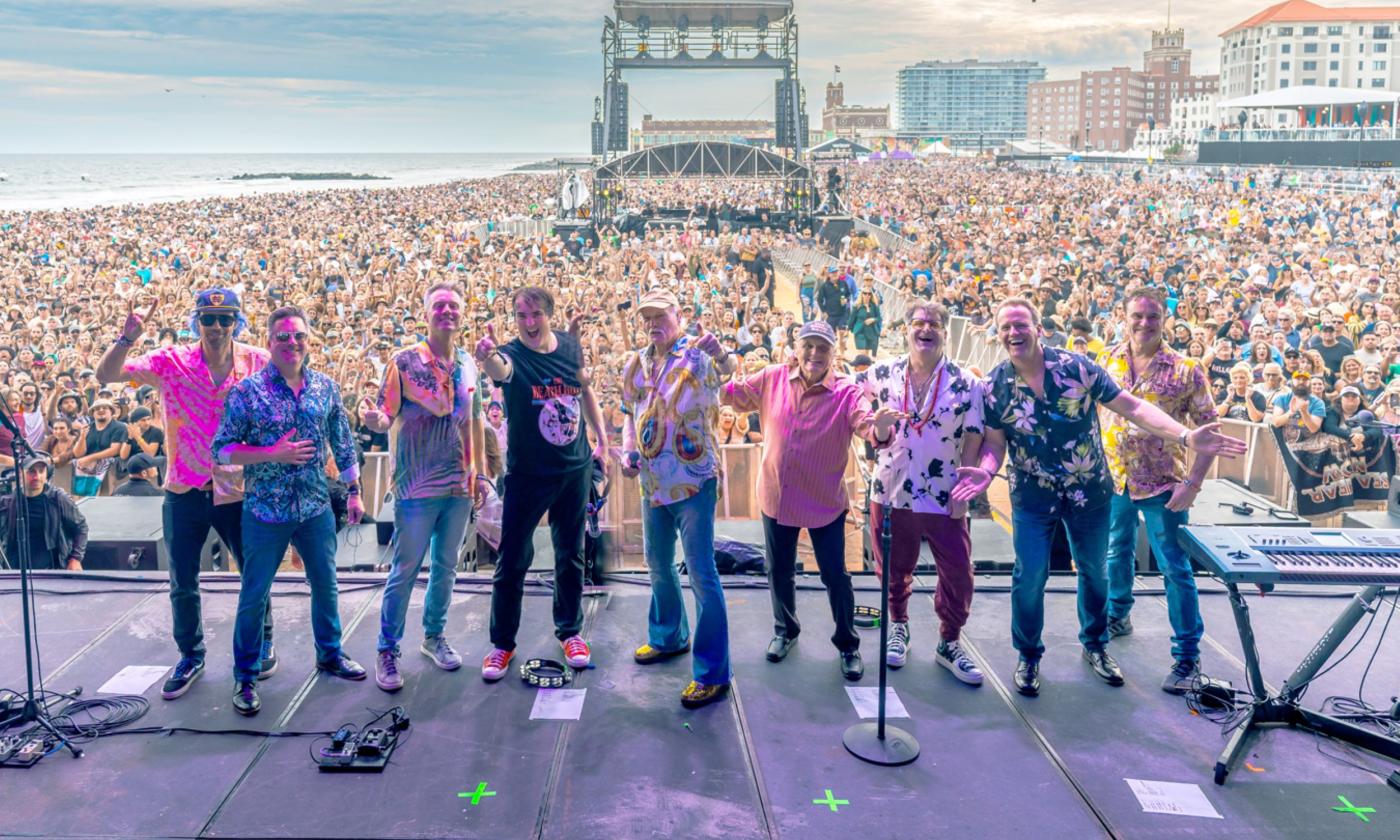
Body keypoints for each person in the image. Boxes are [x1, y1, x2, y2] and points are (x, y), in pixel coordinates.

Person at [965, 297, 1244, 697]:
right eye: (1006, 326)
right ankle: (1028, 655)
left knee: (1096, 571)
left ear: (1038, 328)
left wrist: (1184, 437)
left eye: (1021, 324)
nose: (1014, 332)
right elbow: (994, 444)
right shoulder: (994, 386)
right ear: (997, 333)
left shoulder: (1077, 367)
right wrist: (986, 469)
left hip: (1090, 492)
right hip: (1032, 496)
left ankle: (1096, 645)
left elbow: (1131, 406)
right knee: (1029, 577)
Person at [97, 288, 275, 701]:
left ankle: (263, 641)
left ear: (237, 321)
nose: (216, 327)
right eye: (208, 319)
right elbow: (106, 376)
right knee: (182, 580)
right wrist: (127, 338)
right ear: (196, 321)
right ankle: (190, 655)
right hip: (184, 486)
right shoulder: (170, 360)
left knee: (254, 574)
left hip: (238, 487)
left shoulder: (258, 361)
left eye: (225, 319)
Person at [722, 320, 902, 681]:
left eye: (822, 348)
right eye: (809, 346)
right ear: (796, 347)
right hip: (777, 496)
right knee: (779, 570)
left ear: (833, 354)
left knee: (835, 576)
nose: (814, 354)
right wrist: (713, 367)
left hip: (823, 503)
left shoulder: (846, 392)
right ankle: (785, 630)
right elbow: (733, 395)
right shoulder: (773, 377)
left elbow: (868, 427)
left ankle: (848, 644)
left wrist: (881, 428)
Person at [212, 305, 367, 716]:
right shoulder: (247, 393)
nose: (291, 343)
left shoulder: (326, 388)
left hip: (315, 506)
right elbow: (222, 450)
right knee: (254, 594)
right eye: (282, 336)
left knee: (326, 584)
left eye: (298, 335)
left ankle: (330, 653)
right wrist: (271, 453)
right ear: (269, 343)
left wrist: (354, 490)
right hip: (265, 511)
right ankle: (245, 677)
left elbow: (344, 441)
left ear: (309, 340)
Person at [475, 287, 609, 681]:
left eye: (535, 315)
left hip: (574, 469)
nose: (529, 323)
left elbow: (585, 391)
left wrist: (601, 438)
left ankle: (570, 632)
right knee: (513, 558)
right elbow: (501, 370)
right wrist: (488, 360)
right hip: (528, 474)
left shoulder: (568, 346)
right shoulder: (511, 354)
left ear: (549, 314)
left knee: (571, 554)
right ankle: (502, 644)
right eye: (521, 316)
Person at [360, 282, 489, 692]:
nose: (447, 311)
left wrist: (480, 473)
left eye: (453, 305)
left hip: (458, 485)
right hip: (415, 486)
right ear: (426, 313)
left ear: (462, 313)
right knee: (405, 568)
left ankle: (434, 636)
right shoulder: (404, 362)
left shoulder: (469, 364)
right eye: (439, 306)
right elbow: (385, 413)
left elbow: (475, 422)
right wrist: (375, 422)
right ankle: (387, 648)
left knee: (446, 567)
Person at [854, 300, 986, 684]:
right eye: (917, 322)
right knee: (893, 568)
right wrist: (874, 428)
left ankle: (949, 641)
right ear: (905, 330)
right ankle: (899, 625)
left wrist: (967, 490)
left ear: (945, 331)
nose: (925, 329)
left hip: (946, 492)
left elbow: (975, 434)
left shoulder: (967, 382)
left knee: (959, 572)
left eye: (934, 324)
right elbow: (855, 411)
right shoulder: (880, 374)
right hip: (891, 490)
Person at [617, 288, 737, 709]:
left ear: (679, 315)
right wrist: (627, 450)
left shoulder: (699, 355)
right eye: (646, 317)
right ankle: (668, 637)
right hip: (652, 485)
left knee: (702, 573)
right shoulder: (636, 361)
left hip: (694, 482)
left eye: (661, 315)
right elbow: (628, 413)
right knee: (658, 564)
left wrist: (722, 355)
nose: (653, 324)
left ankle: (712, 673)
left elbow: (730, 373)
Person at [1099, 290, 1217, 695]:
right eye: (1137, 316)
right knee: (1116, 550)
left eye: (1152, 317)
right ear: (1124, 315)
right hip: (1116, 479)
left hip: (1165, 484)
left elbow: (1209, 432)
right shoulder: (1108, 360)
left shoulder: (1187, 369)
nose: (1144, 324)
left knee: (1174, 567)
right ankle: (1117, 614)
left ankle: (1187, 655)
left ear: (1165, 319)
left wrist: (1193, 483)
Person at [0, 452, 86, 570]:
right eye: (32, 471)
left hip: (51, 571)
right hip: (15, 572)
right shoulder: (6, 503)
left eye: (41, 471)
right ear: (20, 473)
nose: (37, 477)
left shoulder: (58, 499)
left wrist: (75, 559)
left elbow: (81, 528)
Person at [71, 399, 127, 496]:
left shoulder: (119, 427)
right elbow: (78, 454)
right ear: (93, 413)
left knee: (103, 501)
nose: (101, 410)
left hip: (110, 468)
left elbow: (114, 450)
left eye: (104, 408)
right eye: (97, 409)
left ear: (111, 411)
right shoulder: (88, 427)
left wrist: (90, 458)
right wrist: (82, 438)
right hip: (87, 469)